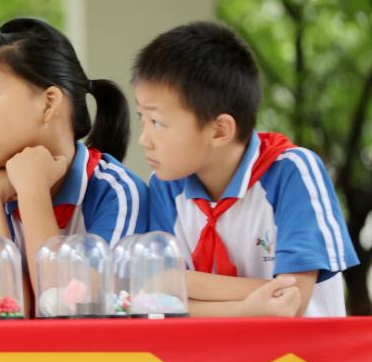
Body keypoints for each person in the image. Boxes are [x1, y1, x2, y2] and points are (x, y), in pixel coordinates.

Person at [134, 20, 357, 316]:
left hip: (303, 347)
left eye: (157, 122)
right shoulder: (165, 186)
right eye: (142, 117)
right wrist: (249, 306)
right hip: (214, 347)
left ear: (219, 130)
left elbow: (293, 301)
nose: (144, 139)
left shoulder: (293, 172)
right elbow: (158, 298)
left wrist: (181, 284)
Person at [0, 17, 147, 314]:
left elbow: (67, 307)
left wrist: (32, 189)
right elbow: (4, 316)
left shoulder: (118, 193)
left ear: (48, 103)